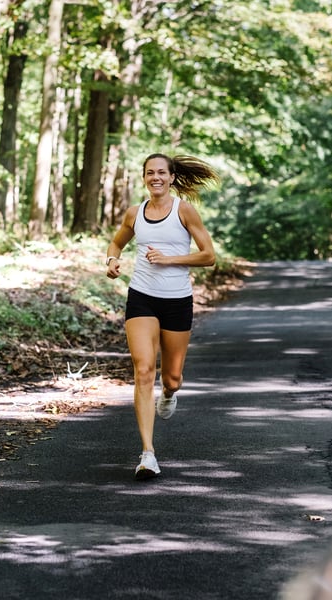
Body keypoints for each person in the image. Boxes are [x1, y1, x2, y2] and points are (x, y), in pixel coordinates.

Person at [106, 153, 219, 480]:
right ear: (144, 178)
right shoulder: (134, 213)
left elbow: (209, 256)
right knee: (143, 369)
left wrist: (170, 260)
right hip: (141, 297)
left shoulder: (184, 210)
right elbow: (116, 243)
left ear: (171, 177)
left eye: (161, 173)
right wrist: (112, 261)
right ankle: (147, 454)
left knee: (171, 378)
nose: (155, 177)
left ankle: (169, 393)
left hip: (177, 300)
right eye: (149, 173)